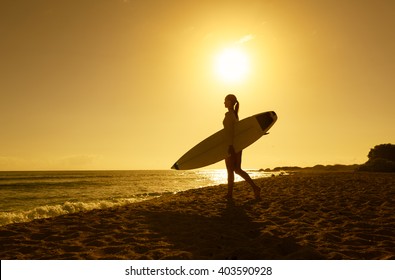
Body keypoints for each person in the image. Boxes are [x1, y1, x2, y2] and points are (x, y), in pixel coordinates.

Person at [223, 94, 261, 200]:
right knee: (237, 169)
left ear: (230, 102)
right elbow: (239, 131)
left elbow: (231, 132)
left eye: (225, 101)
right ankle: (254, 188)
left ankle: (232, 194)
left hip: (231, 145)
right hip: (237, 145)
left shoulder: (230, 115)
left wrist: (230, 146)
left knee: (232, 170)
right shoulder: (234, 114)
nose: (224, 103)